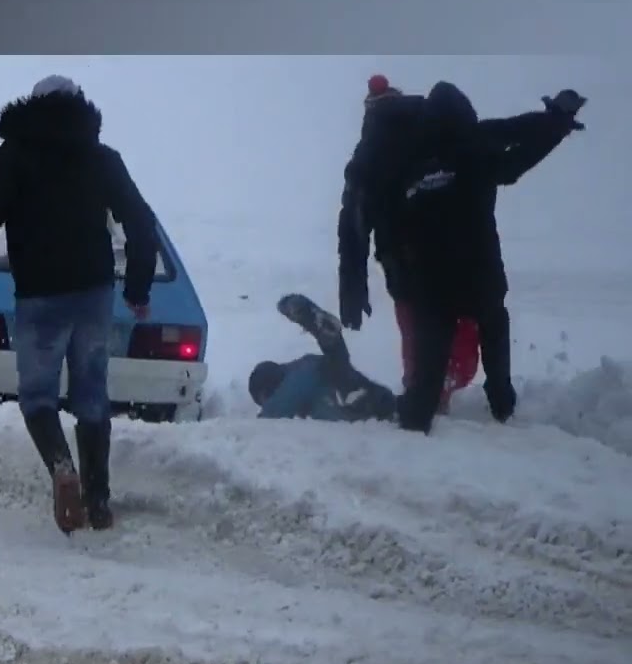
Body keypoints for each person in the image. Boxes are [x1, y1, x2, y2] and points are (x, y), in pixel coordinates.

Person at [0, 75, 160, 534]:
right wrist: (138, 286)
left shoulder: (12, 156)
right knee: (92, 393)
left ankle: (61, 467)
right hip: (93, 291)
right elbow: (139, 219)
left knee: (37, 395)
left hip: (39, 294)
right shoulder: (101, 158)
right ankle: (99, 500)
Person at [392, 83, 586, 433]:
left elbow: (509, 128)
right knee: (493, 328)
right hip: (478, 269)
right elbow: (515, 158)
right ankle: (502, 406)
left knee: (430, 354)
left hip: (431, 277)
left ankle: (417, 420)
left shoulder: (413, 158)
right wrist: (556, 125)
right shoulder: (474, 149)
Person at [338, 74, 480, 413]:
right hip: (458, 250)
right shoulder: (439, 129)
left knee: (415, 324)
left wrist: (353, 286)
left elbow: (354, 223)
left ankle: (425, 391)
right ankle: (450, 381)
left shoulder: (370, 151)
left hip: (403, 258)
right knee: (460, 317)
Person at [249, 294, 397, 422]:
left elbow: (278, 408)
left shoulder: (293, 378)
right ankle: (328, 337)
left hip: (354, 400)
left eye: (263, 400)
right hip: (354, 393)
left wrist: (262, 420)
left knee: (344, 383)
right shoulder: (300, 373)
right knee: (342, 374)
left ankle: (328, 337)